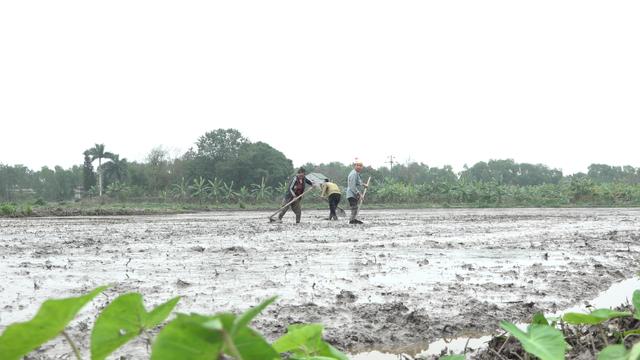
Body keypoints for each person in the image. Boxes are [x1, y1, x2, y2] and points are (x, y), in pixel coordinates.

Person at [346, 159, 367, 224]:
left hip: (354, 194)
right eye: (357, 165)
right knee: (354, 208)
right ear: (355, 166)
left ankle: (353, 219)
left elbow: (359, 182)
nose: (359, 167)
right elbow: (352, 185)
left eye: (360, 166)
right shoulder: (353, 174)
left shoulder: (356, 174)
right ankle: (352, 220)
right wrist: (359, 194)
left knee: (355, 208)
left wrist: (364, 185)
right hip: (351, 194)